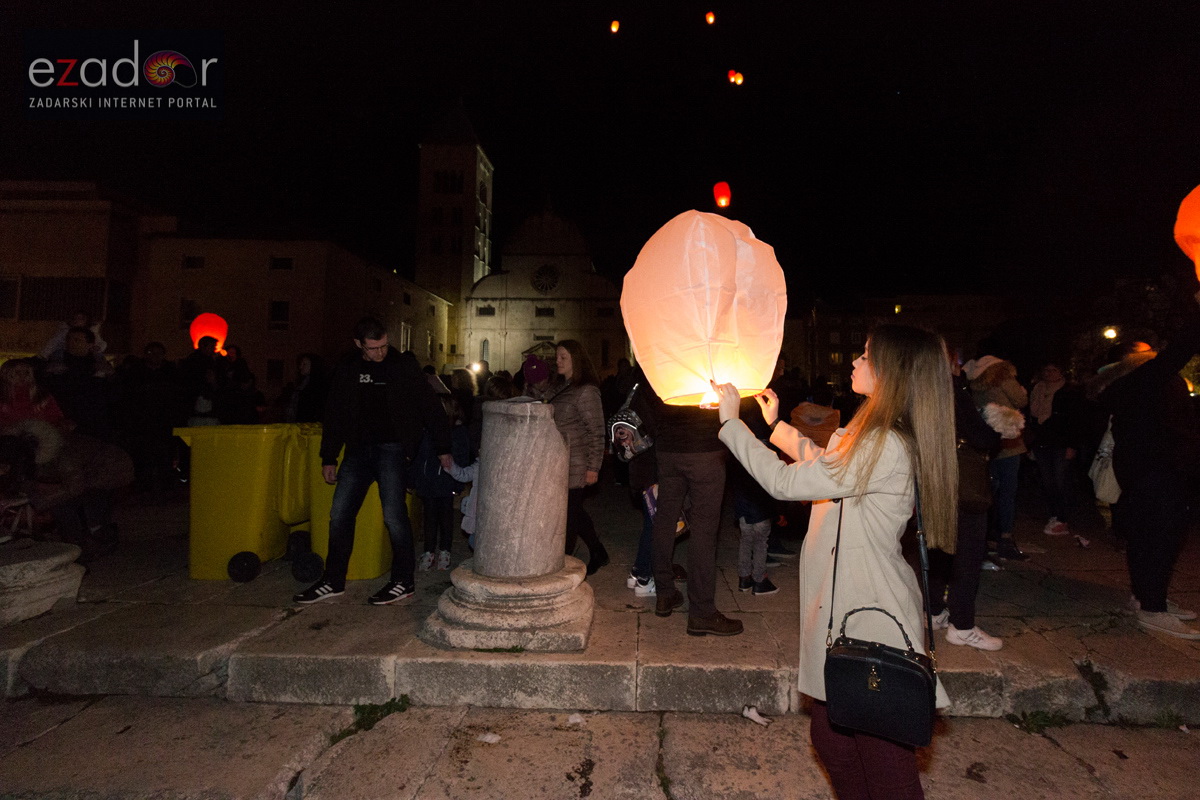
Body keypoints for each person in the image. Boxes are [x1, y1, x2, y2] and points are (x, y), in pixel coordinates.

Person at [713, 324, 955, 800]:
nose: (854, 362)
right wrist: (777, 426)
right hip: (848, 605)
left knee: (884, 763)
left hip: (870, 612)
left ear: (891, 371)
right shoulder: (873, 430)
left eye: (864, 356)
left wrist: (731, 426)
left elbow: (788, 484)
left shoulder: (885, 440)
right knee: (834, 739)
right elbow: (828, 464)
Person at [293, 316, 452, 606]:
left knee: (394, 516)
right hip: (357, 451)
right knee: (339, 514)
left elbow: (429, 405)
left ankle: (403, 582)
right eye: (373, 348)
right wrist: (328, 456)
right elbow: (335, 412)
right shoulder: (348, 367)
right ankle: (333, 581)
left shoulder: (402, 365)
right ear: (358, 344)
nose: (380, 353)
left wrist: (442, 446)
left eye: (383, 346)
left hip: (392, 449)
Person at [1094, 288, 1200, 639]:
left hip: (1150, 464)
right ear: (1130, 360)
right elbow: (1180, 351)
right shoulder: (1143, 378)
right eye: (1145, 352)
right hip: (1156, 466)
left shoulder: (1138, 383)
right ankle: (1153, 607)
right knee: (1162, 534)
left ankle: (1145, 598)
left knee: (1146, 532)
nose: (1153, 354)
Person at [643, 378, 741, 637]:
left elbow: (649, 401)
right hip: (705, 447)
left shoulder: (664, 357)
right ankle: (701, 612)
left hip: (668, 449)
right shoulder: (707, 356)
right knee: (704, 531)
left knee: (665, 519)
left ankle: (665, 594)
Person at [928, 362, 1004, 650]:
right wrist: (997, 428)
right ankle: (961, 626)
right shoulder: (952, 386)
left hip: (933, 479)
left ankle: (934, 611)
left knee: (937, 547)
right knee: (968, 553)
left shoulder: (919, 385)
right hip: (961, 483)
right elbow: (979, 436)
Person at [546, 339, 609, 575]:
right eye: (557, 357)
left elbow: (596, 430)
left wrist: (594, 467)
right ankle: (595, 551)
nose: (558, 361)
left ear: (576, 360)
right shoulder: (561, 387)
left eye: (563, 357)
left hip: (576, 462)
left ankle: (567, 559)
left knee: (571, 512)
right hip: (559, 462)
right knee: (571, 512)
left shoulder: (586, 390)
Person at [964, 355, 1028, 561]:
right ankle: (1005, 538)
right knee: (1008, 492)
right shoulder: (1005, 381)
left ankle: (985, 537)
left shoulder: (973, 384)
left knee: (987, 490)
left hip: (984, 442)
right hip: (1008, 441)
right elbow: (1021, 400)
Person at [1028, 362, 1087, 539]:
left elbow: (1075, 420)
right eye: (1046, 370)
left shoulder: (1069, 391)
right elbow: (1033, 417)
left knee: (1061, 479)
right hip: (1042, 441)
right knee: (1048, 480)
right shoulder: (1037, 390)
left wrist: (1072, 445)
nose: (1049, 373)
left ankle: (1063, 516)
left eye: (1053, 370)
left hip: (1061, 442)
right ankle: (1055, 513)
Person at [413, 395, 472, 572]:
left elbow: (462, 458)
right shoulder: (426, 431)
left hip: (445, 482)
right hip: (427, 481)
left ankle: (445, 551)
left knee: (446, 518)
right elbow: (419, 457)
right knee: (429, 517)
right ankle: (429, 551)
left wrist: (458, 483)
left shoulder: (458, 433)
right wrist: (414, 478)